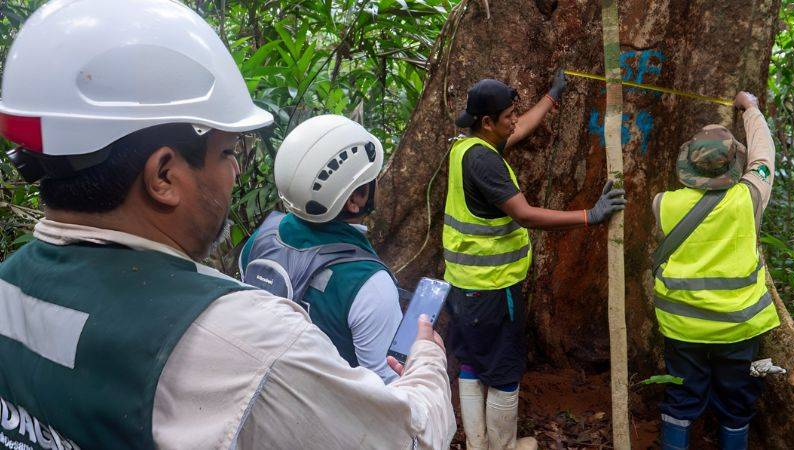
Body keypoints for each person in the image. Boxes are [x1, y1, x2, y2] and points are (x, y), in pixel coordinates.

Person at [0, 1, 455, 449]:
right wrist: (427, 357)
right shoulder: (251, 348)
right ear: (164, 175)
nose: (236, 172)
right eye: (228, 152)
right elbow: (410, 439)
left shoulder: (8, 286)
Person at [444, 76, 626, 450]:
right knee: (505, 371)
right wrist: (590, 215)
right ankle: (505, 446)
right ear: (487, 122)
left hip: (462, 284)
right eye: (508, 115)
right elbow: (524, 215)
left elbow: (521, 129)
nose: (515, 120)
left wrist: (551, 97)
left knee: (472, 362)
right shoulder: (486, 163)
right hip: (493, 289)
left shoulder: (467, 148)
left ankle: (478, 444)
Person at [651, 91, 780, 450]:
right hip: (739, 326)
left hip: (682, 325)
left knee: (681, 398)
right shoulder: (750, 196)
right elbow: (764, 154)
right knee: (736, 402)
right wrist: (751, 109)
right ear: (733, 166)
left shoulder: (663, 203)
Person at [238, 114, 402, 383]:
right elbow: (389, 383)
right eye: (374, 177)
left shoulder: (259, 241)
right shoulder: (370, 285)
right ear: (355, 200)